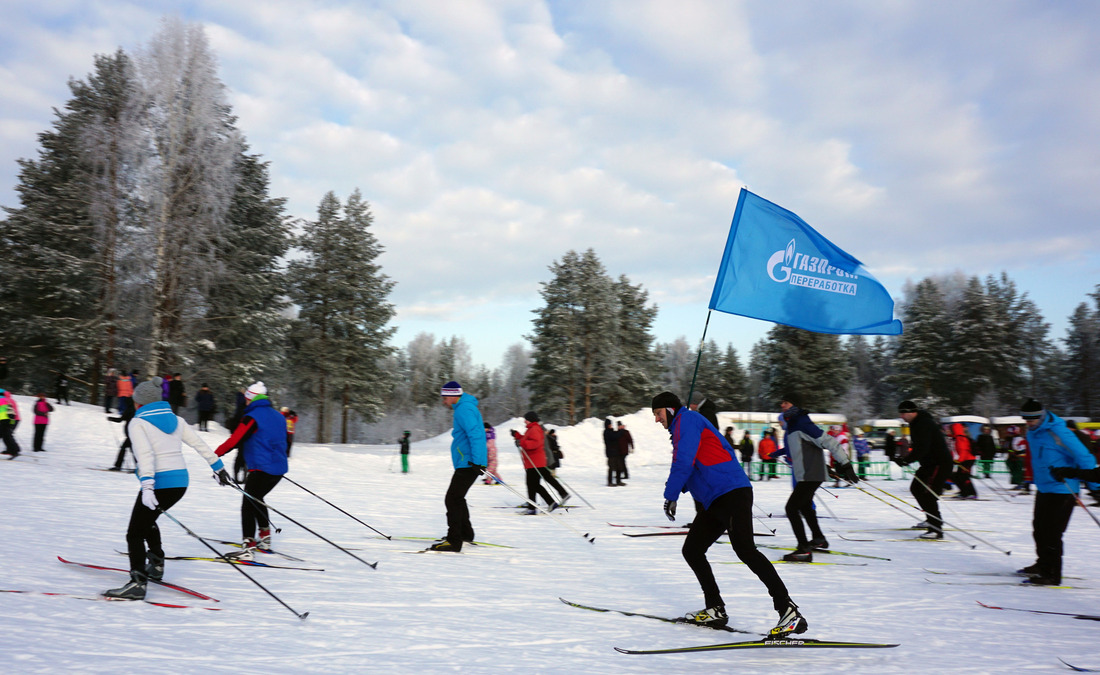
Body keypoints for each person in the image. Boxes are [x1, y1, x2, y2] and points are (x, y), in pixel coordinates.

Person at [652, 391, 807, 638]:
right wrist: (679, 490)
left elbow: (684, 461)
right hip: (714, 499)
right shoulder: (683, 425)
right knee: (692, 550)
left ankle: (789, 611)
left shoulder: (688, 421)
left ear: (670, 410)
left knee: (746, 550)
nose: (657, 420)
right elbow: (694, 464)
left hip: (731, 493)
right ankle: (715, 608)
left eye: (658, 414)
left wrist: (671, 494)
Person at [103, 377, 232, 600]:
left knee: (134, 532)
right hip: (180, 483)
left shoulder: (138, 422)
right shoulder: (176, 419)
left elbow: (145, 456)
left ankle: (137, 583)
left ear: (140, 402)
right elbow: (199, 444)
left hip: (158, 482)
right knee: (147, 520)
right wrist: (218, 467)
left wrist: (147, 486)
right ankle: (156, 564)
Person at [1017, 399, 1100, 585]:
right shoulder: (1032, 433)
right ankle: (1042, 564)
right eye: (1025, 420)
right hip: (1044, 487)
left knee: (1052, 532)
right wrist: (1029, 479)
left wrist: (1095, 487)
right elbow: (1036, 459)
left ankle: (1051, 574)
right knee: (1039, 529)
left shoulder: (1059, 432)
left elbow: (1084, 457)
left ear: (1041, 416)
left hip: (1064, 488)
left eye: (1032, 419)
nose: (1028, 423)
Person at [777, 394, 858, 561]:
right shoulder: (793, 424)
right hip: (808, 473)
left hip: (810, 474)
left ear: (795, 405)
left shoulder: (802, 423)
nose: (782, 405)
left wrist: (845, 464)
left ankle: (803, 549)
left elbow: (830, 442)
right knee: (805, 506)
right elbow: (807, 449)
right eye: (781, 403)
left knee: (791, 508)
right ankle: (819, 539)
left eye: (786, 402)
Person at [215, 382, 288, 558]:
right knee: (258, 499)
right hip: (279, 469)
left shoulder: (252, 417)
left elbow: (235, 440)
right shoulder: (279, 416)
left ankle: (248, 547)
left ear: (250, 399)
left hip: (261, 469)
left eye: (247, 399)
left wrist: (214, 455)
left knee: (248, 505)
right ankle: (265, 538)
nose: (246, 402)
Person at [429, 381, 487, 552]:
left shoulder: (464, 409)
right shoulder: (464, 408)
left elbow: (476, 435)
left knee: (452, 499)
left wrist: (477, 462)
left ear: (454, 395)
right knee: (458, 498)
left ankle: (454, 541)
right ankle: (465, 534)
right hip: (468, 461)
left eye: (445, 397)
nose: (443, 401)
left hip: (469, 462)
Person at [894, 400, 954, 539]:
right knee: (916, 488)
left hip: (938, 464)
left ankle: (936, 528)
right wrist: (905, 458)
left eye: (903, 413)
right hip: (928, 464)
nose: (901, 416)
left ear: (912, 412)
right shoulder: (916, 423)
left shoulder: (924, 423)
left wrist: (906, 460)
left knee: (928, 494)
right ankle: (930, 519)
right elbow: (919, 448)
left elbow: (923, 448)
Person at [511, 412, 561, 513]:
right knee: (532, 484)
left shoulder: (534, 428)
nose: (525, 421)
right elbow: (527, 440)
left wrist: (521, 442)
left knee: (533, 485)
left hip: (535, 462)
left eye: (526, 419)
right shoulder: (531, 428)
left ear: (531, 419)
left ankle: (544, 504)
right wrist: (517, 436)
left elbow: (535, 443)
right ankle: (533, 506)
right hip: (532, 462)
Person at [950, 422, 978, 499]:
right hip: (964, 460)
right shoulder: (956, 438)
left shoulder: (961, 438)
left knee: (964, 476)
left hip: (968, 460)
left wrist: (959, 460)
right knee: (956, 476)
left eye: (951, 429)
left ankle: (972, 493)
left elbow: (964, 451)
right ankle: (964, 491)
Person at [0, 388, 22, 457]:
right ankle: (12, 449)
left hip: (9, 419)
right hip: (13, 419)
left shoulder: (3, 400)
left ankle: (14, 450)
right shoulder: (10, 399)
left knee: (7, 435)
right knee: (6, 435)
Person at [603, 418, 624, 486]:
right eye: (610, 424)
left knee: (619, 467)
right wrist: (621, 430)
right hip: (611, 453)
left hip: (616, 452)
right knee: (611, 468)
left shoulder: (611, 431)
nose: (611, 425)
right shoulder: (607, 432)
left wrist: (620, 430)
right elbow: (615, 436)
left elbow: (616, 434)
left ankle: (618, 481)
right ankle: (610, 482)